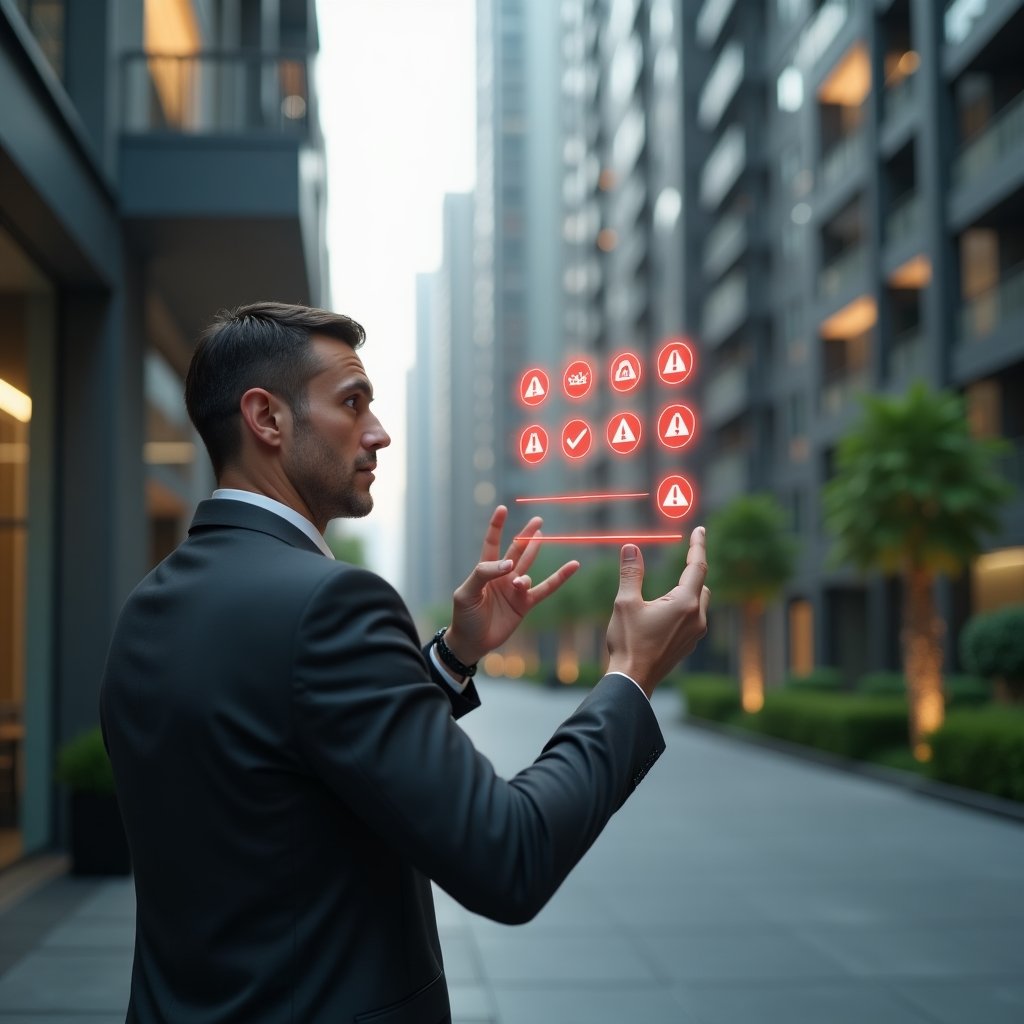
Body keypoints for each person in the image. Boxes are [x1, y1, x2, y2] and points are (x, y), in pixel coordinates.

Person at [100, 301, 710, 1024]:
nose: (380, 434)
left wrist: (452, 658)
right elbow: (507, 855)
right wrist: (628, 680)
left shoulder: (148, 606)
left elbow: (283, 764)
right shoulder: (331, 601)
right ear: (266, 419)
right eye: (352, 404)